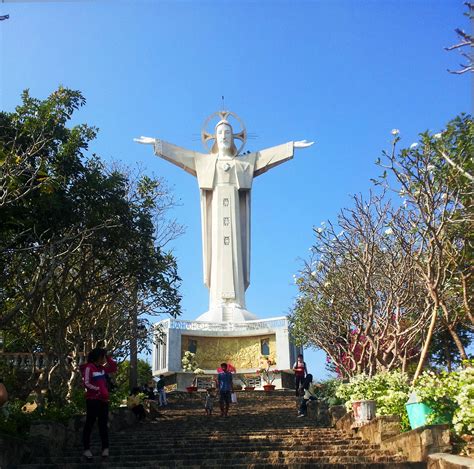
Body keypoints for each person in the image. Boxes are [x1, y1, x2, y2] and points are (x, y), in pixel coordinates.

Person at [80, 347, 117, 460]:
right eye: (102, 357)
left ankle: (105, 448)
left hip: (103, 401)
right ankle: (86, 449)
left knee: (103, 425)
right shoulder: (88, 368)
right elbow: (86, 383)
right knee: (90, 423)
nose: (103, 359)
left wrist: (108, 357)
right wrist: (98, 390)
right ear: (97, 357)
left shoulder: (102, 369)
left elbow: (114, 367)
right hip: (92, 400)